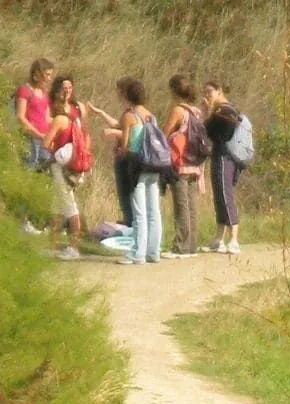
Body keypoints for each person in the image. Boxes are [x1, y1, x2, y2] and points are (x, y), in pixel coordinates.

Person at [44, 75, 112, 260]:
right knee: (57, 205)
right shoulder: (72, 119)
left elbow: (47, 143)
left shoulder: (61, 118)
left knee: (69, 206)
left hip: (62, 165)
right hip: (74, 165)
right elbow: (85, 135)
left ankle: (73, 247)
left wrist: (58, 149)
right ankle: (54, 244)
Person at [113, 77, 164, 266]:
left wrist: (118, 150)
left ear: (128, 95)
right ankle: (153, 251)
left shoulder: (129, 116)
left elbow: (126, 145)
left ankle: (137, 254)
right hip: (154, 166)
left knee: (139, 212)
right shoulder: (151, 116)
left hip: (136, 166)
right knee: (154, 211)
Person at [165, 75, 207, 258]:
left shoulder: (178, 110)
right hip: (194, 165)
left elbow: (165, 134)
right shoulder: (196, 112)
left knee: (181, 206)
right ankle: (191, 246)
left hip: (180, 164)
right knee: (191, 207)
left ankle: (181, 247)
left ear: (174, 91)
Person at [202, 82, 245, 255]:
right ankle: (219, 239)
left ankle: (234, 239)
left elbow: (209, 131)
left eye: (210, 91)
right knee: (219, 197)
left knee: (225, 196)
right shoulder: (224, 111)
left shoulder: (224, 111)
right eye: (205, 92)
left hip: (225, 157)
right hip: (220, 155)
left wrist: (209, 112)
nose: (207, 95)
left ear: (219, 91)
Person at [14, 58, 55, 233]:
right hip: (30, 140)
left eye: (51, 75)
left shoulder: (44, 93)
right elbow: (20, 117)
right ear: (37, 73)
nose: (49, 78)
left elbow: (47, 118)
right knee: (28, 178)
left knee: (43, 180)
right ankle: (22, 221)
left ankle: (37, 220)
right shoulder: (25, 91)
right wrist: (38, 134)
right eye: (47, 74)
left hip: (44, 141)